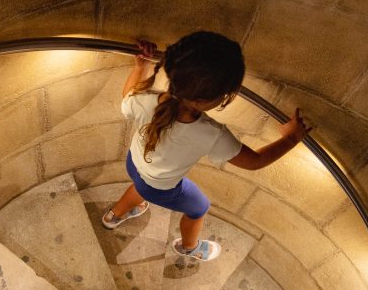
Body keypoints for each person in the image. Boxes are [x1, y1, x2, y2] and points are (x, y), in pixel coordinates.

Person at [102, 31, 311, 261]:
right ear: (206, 100)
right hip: (160, 187)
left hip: (134, 163)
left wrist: (140, 67)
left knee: (141, 184)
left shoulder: (146, 101)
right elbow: (255, 162)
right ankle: (189, 247)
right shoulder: (212, 134)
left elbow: (127, 95)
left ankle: (114, 216)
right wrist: (291, 139)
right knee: (199, 208)